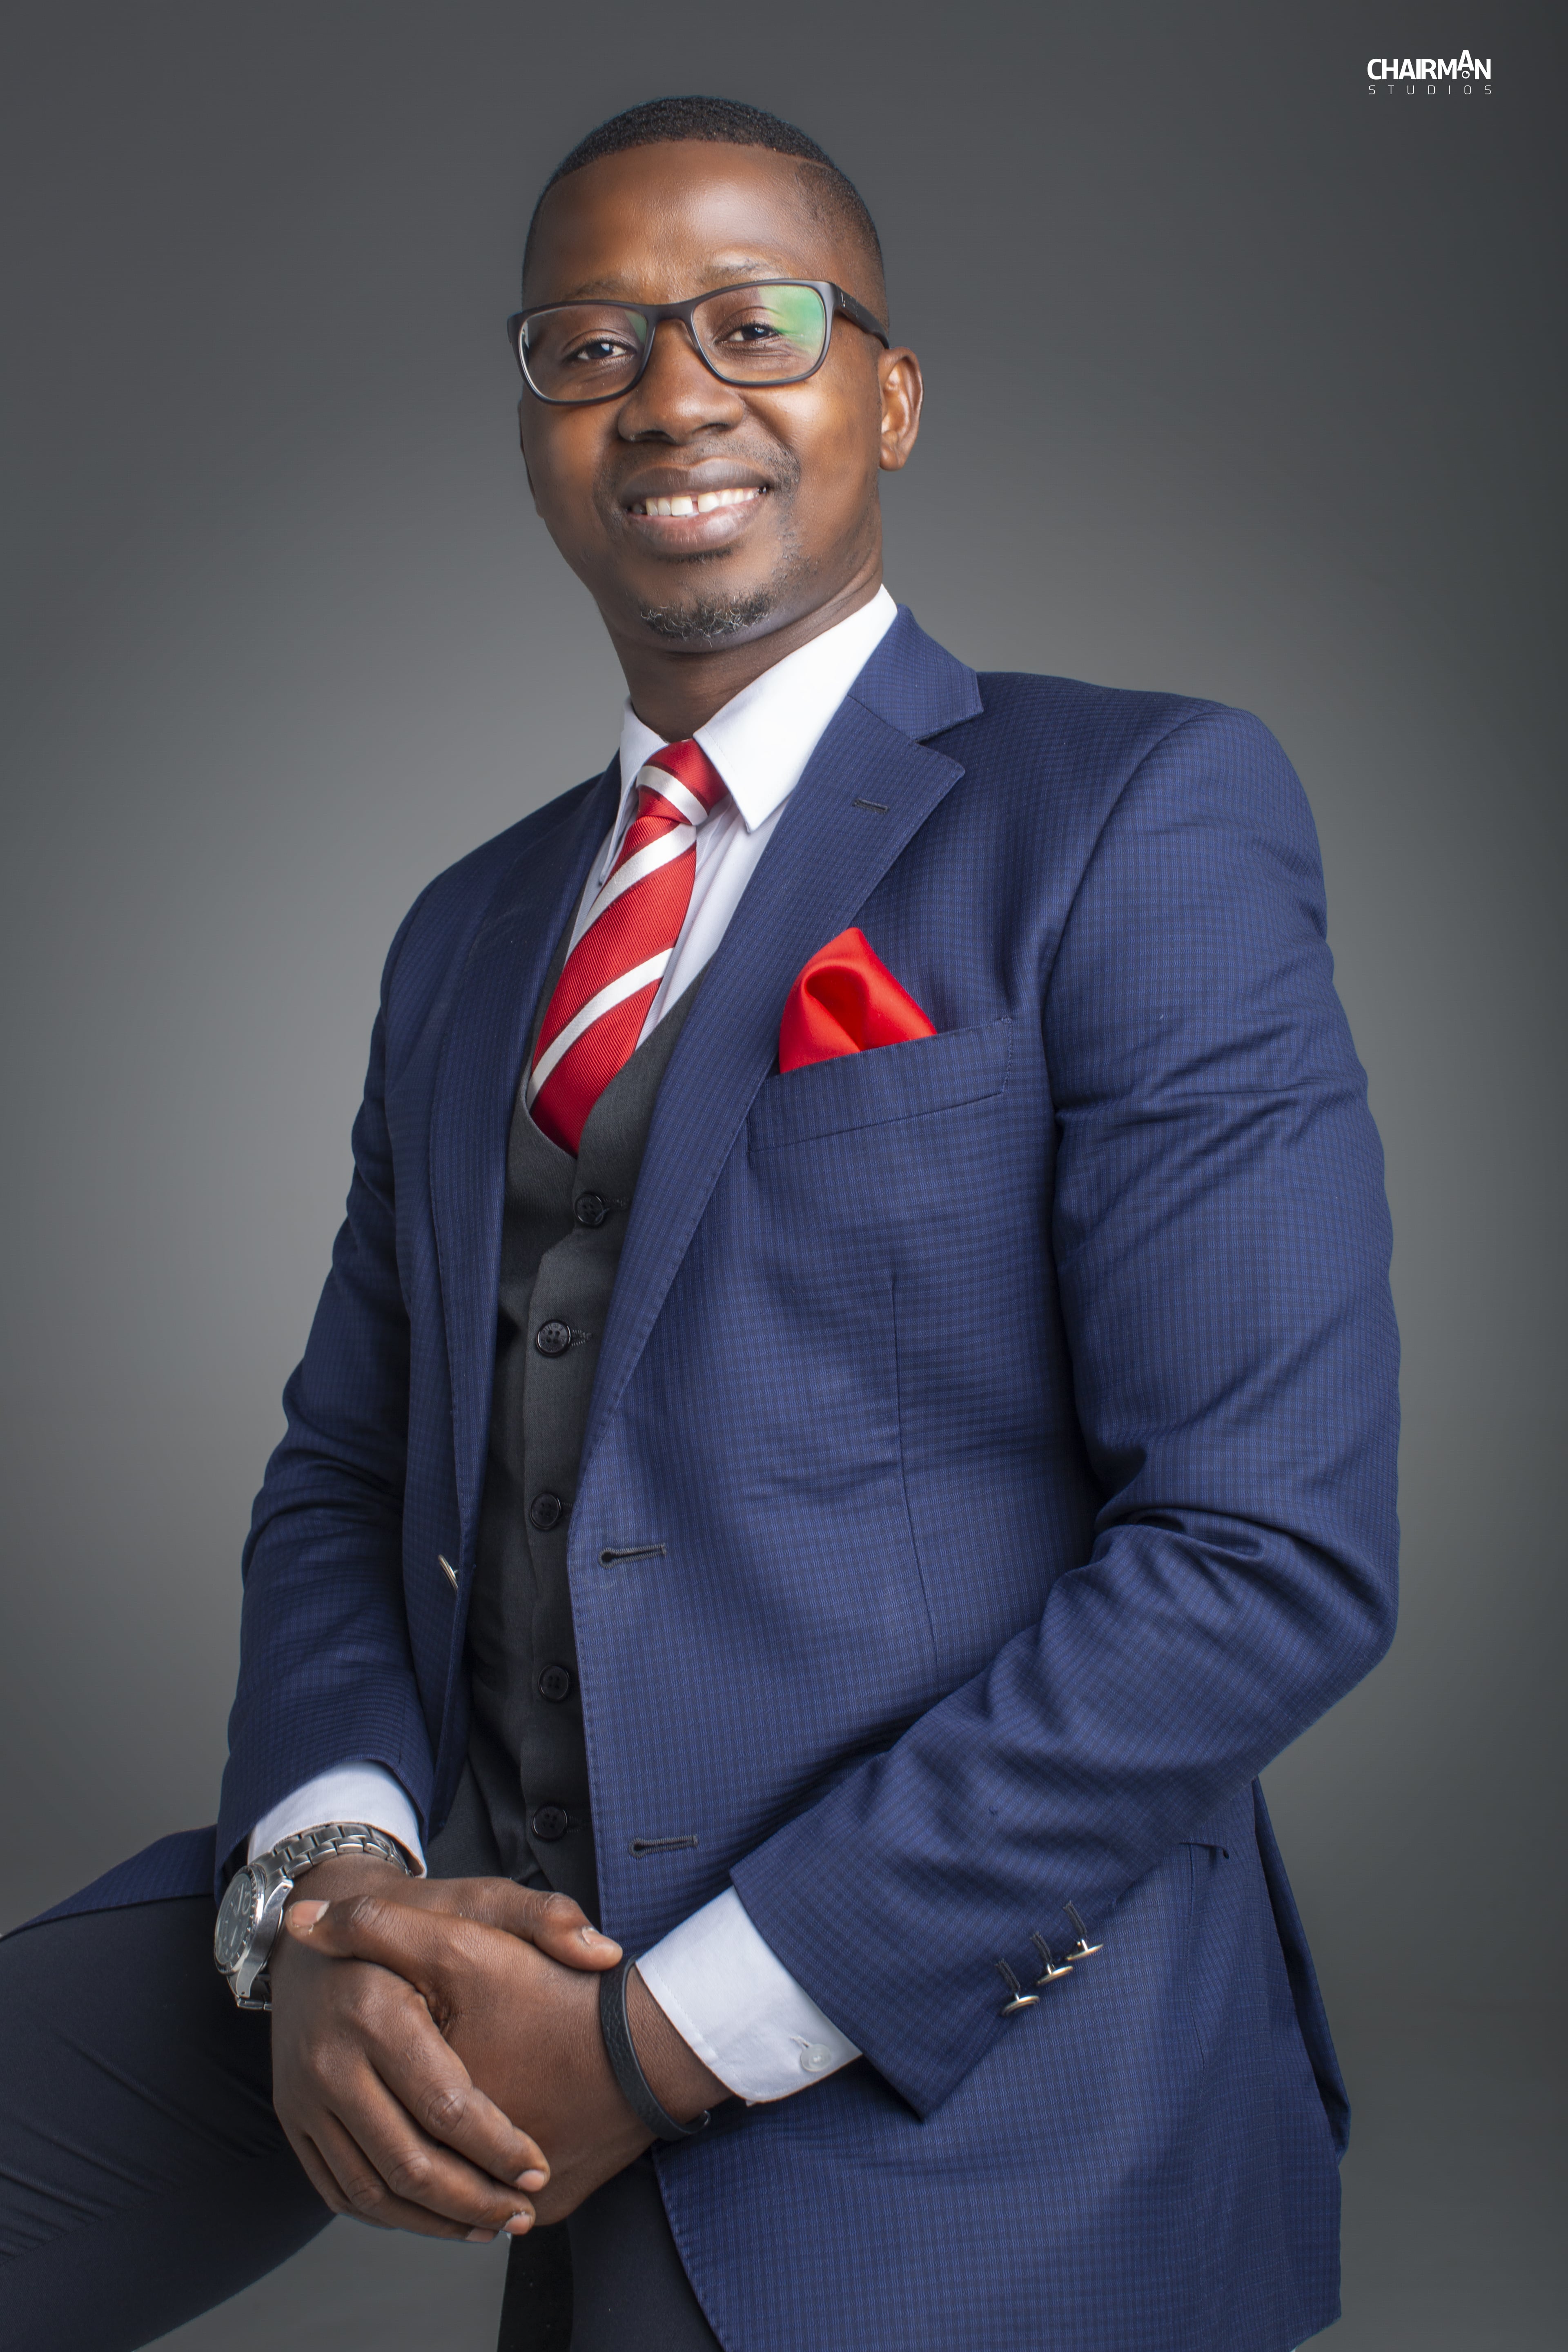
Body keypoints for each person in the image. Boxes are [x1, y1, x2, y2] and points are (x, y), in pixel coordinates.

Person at [0, 94, 1399, 2352]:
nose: (669, 395)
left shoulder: (1131, 811)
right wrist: (332, 1890)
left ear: (891, 396)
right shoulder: (468, 931)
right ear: (536, 427)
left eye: (757, 323)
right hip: (449, 1930)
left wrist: (665, 2043)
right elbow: (349, 1471)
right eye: (592, 345)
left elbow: (1266, 1553)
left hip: (920, 2043)